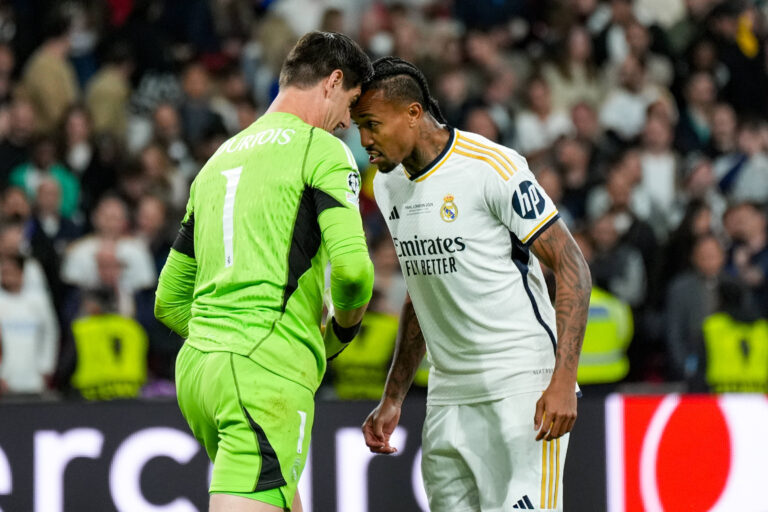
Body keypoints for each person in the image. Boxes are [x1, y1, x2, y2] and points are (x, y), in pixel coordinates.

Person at [352, 57, 591, 512]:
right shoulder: (388, 186)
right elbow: (421, 293)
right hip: (447, 397)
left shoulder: (493, 167)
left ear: (413, 114)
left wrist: (563, 379)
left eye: (372, 125)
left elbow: (573, 266)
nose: (364, 141)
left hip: (521, 389)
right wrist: (393, 396)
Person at [154, 32, 374, 512]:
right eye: (352, 104)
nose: (349, 123)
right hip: (263, 372)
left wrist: (224, 339)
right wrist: (339, 334)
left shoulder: (217, 161)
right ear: (333, 82)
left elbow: (168, 300)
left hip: (200, 374)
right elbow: (355, 273)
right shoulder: (321, 150)